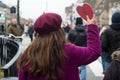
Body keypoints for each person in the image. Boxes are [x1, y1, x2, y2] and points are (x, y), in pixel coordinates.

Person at [17, 12, 101, 80]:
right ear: (59, 31)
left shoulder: (27, 54)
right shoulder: (68, 51)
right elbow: (94, 51)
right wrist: (92, 26)